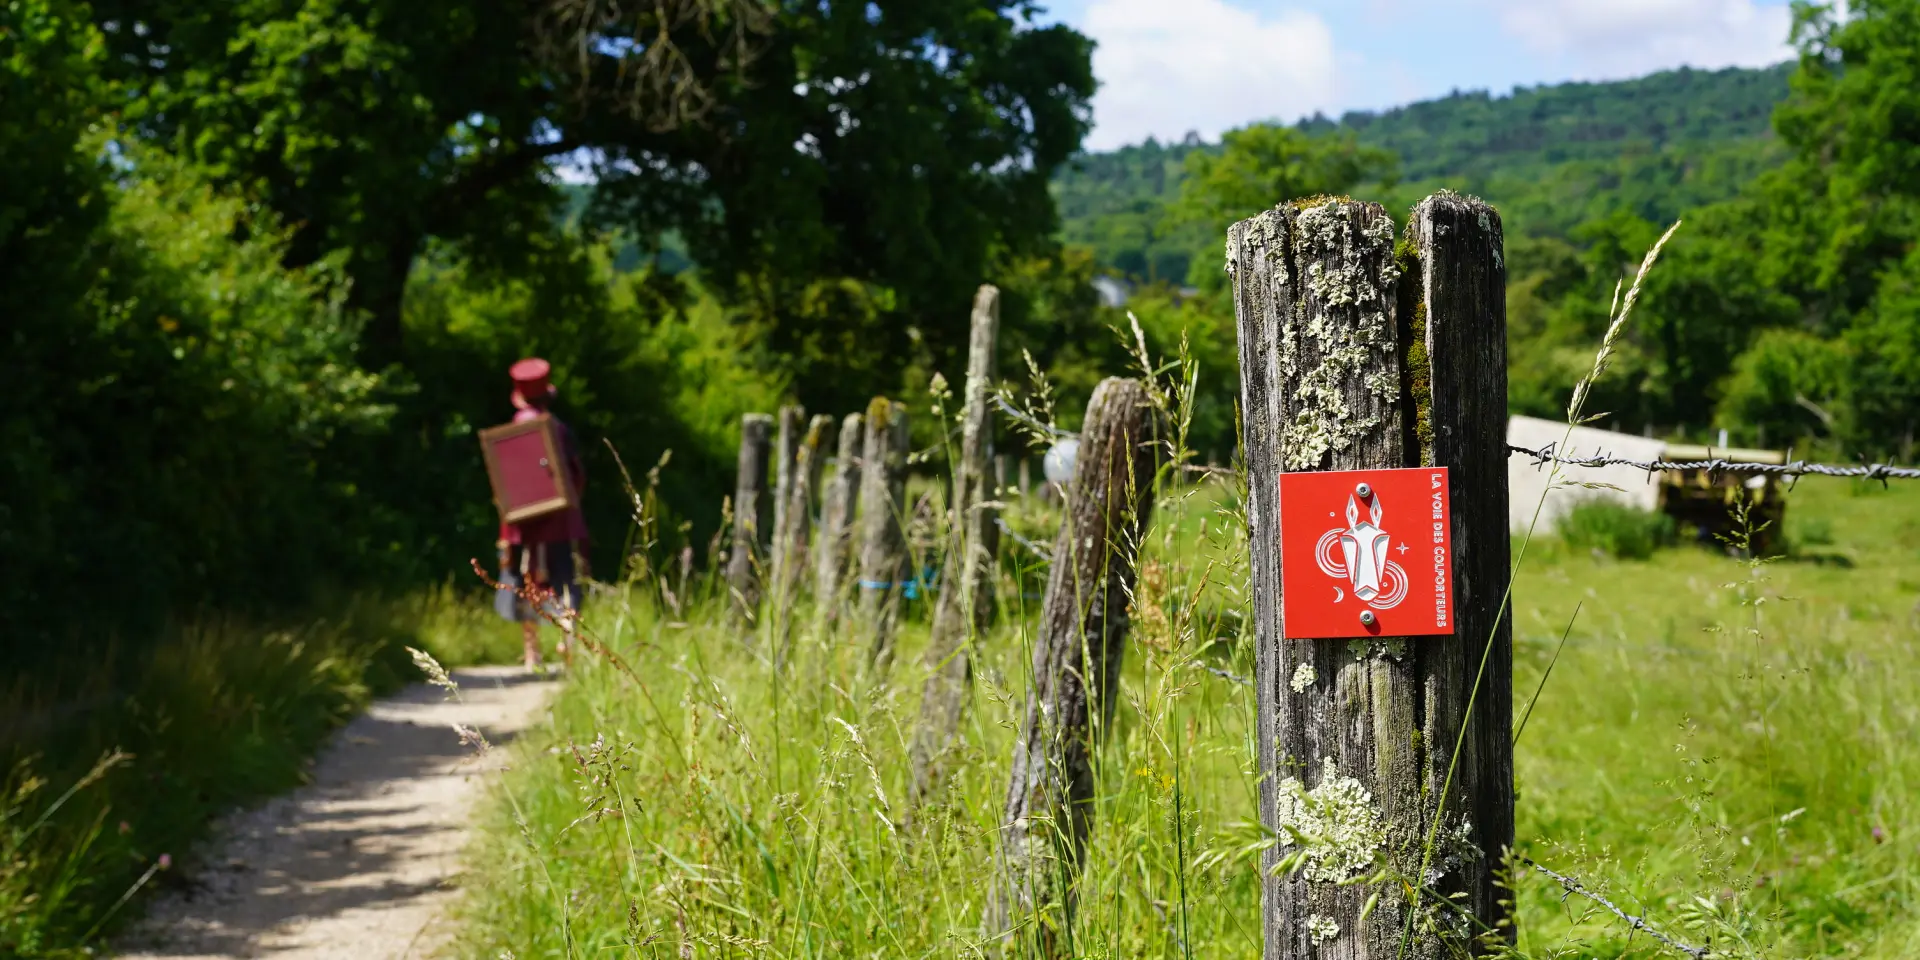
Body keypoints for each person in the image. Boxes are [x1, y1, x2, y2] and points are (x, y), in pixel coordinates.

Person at [494, 357, 589, 669]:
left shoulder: (512, 430)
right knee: (566, 582)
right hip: (560, 522)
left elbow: (507, 481)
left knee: (525, 579)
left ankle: (532, 653)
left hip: (523, 524)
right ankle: (567, 641)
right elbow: (576, 474)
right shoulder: (558, 429)